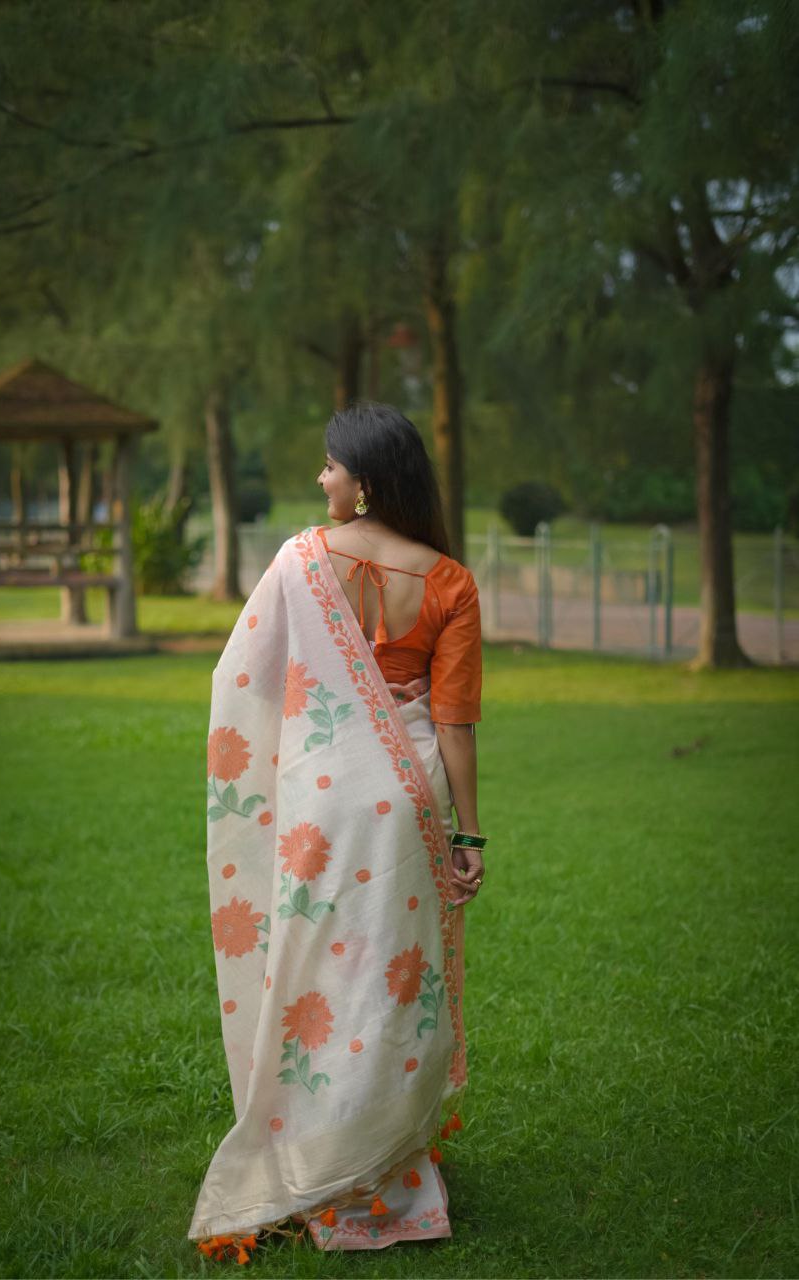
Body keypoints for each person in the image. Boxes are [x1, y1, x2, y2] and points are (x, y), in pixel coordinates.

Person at [189, 402, 486, 1260]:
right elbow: (458, 723)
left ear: (364, 482)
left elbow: (247, 675)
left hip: (322, 793)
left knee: (320, 967)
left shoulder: (301, 561)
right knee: (396, 976)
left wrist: (312, 738)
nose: (321, 479)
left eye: (330, 466)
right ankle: (389, 1174)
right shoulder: (449, 581)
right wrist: (469, 838)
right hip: (415, 793)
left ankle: (316, 1155)